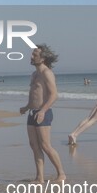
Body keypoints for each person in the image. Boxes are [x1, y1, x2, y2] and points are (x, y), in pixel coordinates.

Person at [19, 44, 66, 183]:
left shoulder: (47, 73)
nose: (32, 56)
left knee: (45, 145)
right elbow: (35, 94)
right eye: (32, 54)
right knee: (34, 145)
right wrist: (26, 107)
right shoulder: (34, 74)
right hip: (32, 112)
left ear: (43, 58)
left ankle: (61, 174)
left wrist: (43, 111)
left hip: (43, 113)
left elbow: (54, 95)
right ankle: (40, 177)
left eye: (35, 54)